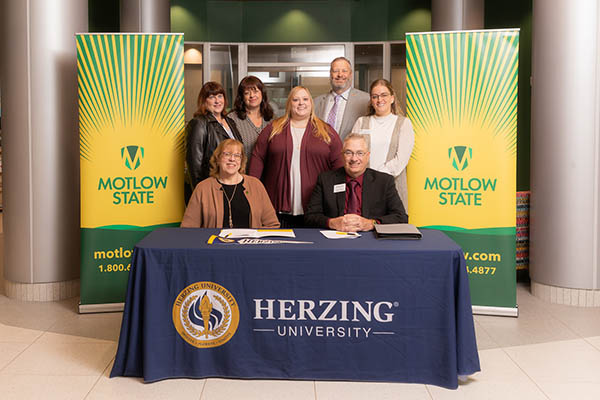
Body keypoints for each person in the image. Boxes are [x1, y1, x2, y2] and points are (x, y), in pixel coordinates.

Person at [249, 86, 344, 227]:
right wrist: (252, 191)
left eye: (305, 99)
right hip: (277, 208)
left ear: (311, 103)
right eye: (296, 99)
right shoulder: (273, 129)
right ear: (289, 104)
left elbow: (339, 167)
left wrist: (338, 200)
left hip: (316, 210)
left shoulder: (326, 131)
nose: (301, 103)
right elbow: (258, 158)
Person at [304, 133, 408, 232]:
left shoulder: (384, 182)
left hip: (371, 240)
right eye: (348, 153)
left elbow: (401, 217)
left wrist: (371, 224)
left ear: (367, 156)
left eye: (360, 153)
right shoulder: (326, 180)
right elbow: (310, 216)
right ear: (342, 155)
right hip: (335, 239)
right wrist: (332, 223)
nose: (354, 158)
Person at [181, 139, 279, 229]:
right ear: (218, 159)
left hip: (249, 246)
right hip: (215, 246)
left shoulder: (256, 185)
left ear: (241, 161)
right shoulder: (203, 188)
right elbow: (188, 229)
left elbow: (272, 224)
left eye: (237, 155)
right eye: (227, 154)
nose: (232, 159)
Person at [351, 79, 415, 208]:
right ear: (371, 100)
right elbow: (352, 153)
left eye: (384, 95)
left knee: (391, 226)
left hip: (392, 187)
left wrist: (375, 178)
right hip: (363, 187)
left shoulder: (403, 123)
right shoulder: (361, 122)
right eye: (375, 96)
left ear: (392, 98)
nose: (379, 100)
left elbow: (401, 160)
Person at [186, 81, 243, 196]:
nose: (217, 101)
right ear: (204, 101)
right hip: (211, 186)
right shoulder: (199, 123)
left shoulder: (230, 122)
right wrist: (201, 192)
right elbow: (194, 163)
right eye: (212, 97)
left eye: (220, 96)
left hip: (231, 183)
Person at [313, 57, 370, 140]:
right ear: (330, 74)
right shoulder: (316, 102)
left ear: (350, 74)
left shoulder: (366, 100)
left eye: (344, 71)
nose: (340, 75)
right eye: (335, 71)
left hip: (350, 152)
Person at [228, 76, 275, 158]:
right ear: (242, 97)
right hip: (243, 169)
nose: (252, 96)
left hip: (269, 170)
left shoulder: (272, 119)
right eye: (247, 93)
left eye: (255, 91)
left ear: (262, 93)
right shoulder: (232, 119)